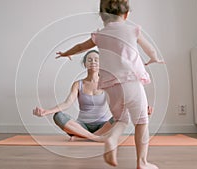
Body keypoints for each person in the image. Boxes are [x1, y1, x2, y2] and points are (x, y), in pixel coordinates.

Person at [55, 0, 164, 168]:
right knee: (141, 122)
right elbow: (151, 50)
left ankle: (112, 139)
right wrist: (154, 58)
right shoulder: (133, 30)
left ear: (101, 16)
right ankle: (142, 162)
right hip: (131, 82)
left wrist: (65, 54)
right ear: (127, 14)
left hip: (111, 88)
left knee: (121, 120)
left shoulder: (99, 35)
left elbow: (80, 47)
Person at [33, 50, 115, 141]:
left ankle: (85, 138)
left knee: (120, 116)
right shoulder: (78, 84)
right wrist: (46, 111)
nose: (93, 62)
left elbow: (114, 105)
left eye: (96, 60)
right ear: (85, 64)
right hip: (81, 127)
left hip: (103, 126)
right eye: (90, 60)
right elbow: (67, 103)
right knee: (58, 116)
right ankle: (95, 138)